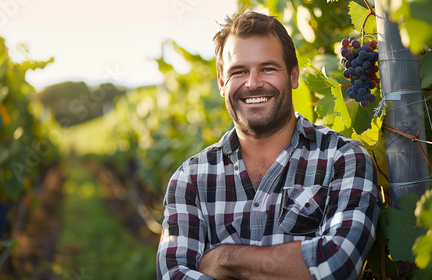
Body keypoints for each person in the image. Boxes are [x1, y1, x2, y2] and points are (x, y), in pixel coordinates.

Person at [156, 10, 380, 280]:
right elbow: (173, 274)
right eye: (239, 71)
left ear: (293, 76)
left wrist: (224, 259)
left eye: (268, 68)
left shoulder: (344, 159)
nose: (253, 83)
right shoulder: (189, 179)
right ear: (221, 82)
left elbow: (337, 265)